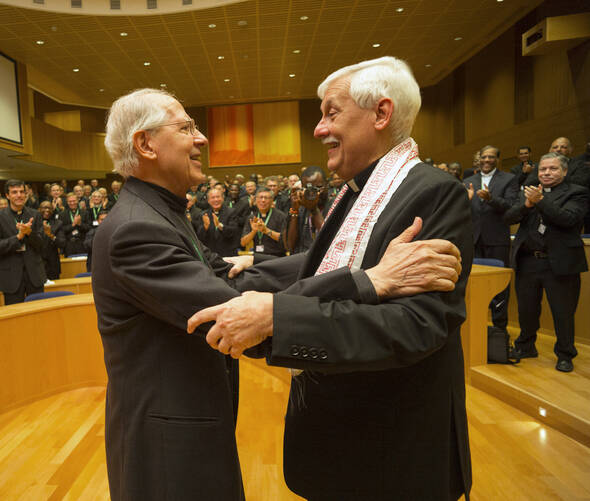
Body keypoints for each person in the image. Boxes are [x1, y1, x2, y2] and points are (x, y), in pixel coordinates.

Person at [93, 86, 463, 501]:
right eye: (186, 127)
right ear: (145, 144)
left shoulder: (159, 211)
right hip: (168, 440)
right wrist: (368, 280)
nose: (201, 138)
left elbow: (229, 277)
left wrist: (352, 268)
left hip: (187, 424)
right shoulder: (135, 228)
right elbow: (229, 306)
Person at [188, 56, 473, 500]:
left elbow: (416, 325)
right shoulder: (358, 188)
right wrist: (255, 266)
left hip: (389, 450)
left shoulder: (433, 193)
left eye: (331, 113)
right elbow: (328, 266)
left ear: (381, 113)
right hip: (345, 441)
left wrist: (278, 318)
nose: (319, 129)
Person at [505, 153, 589, 372]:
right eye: (542, 169)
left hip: (560, 263)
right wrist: (527, 205)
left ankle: (565, 354)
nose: (546, 173)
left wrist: (541, 202)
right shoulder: (530, 191)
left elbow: (568, 218)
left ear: (564, 171)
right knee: (526, 309)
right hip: (528, 261)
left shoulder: (577, 192)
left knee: (563, 312)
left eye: (552, 169)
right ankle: (526, 346)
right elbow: (509, 217)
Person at [463, 145, 518, 329]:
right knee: (472, 285)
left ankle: (499, 330)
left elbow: (511, 206)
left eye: (491, 157)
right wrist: (466, 201)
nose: (487, 160)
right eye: (484, 157)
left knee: (500, 287)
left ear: (497, 159)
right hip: (473, 240)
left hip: (497, 240)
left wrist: (490, 199)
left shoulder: (509, 179)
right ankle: (475, 328)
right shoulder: (468, 180)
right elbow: (461, 211)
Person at [0, 179, 46, 305]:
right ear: (7, 195)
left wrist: (29, 233)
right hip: (11, 277)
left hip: (34, 275)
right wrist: (18, 237)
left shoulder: (35, 214)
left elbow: (42, 244)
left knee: (39, 314)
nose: (19, 195)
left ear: (26, 194)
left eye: (21, 192)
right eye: (14, 192)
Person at [284, 165, 330, 254]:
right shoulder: (301, 208)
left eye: (319, 187)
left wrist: (313, 209)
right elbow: (289, 246)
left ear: (327, 184)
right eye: (309, 189)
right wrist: (294, 210)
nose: (315, 193)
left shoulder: (336, 205)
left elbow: (330, 242)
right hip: (302, 259)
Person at [240, 187, 286, 257]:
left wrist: (266, 230)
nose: (263, 200)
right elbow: (243, 243)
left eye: (266, 198)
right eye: (260, 197)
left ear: (272, 200)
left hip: (276, 256)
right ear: (256, 200)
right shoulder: (252, 217)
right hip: (258, 256)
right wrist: (253, 231)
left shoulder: (281, 216)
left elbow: (284, 240)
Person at [196, 187, 241, 257]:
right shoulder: (204, 214)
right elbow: (200, 237)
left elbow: (233, 232)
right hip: (210, 254)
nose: (216, 200)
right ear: (208, 200)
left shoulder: (231, 212)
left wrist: (220, 226)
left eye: (218, 197)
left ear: (223, 198)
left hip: (228, 253)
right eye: (213, 197)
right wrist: (205, 226)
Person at [38, 200, 64, 280]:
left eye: (49, 208)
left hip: (53, 264)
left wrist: (51, 235)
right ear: (39, 209)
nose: (47, 210)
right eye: (44, 208)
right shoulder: (33, 223)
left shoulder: (58, 223)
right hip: (37, 263)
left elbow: (62, 243)